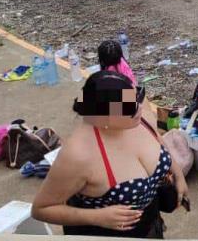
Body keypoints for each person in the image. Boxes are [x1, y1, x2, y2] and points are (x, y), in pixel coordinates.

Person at [32, 71, 188, 238]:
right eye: (129, 107)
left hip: (150, 226)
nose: (139, 108)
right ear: (103, 116)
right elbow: (41, 209)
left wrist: (179, 176)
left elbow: (159, 142)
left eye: (137, 97)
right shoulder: (78, 155)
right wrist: (96, 217)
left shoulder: (137, 119)